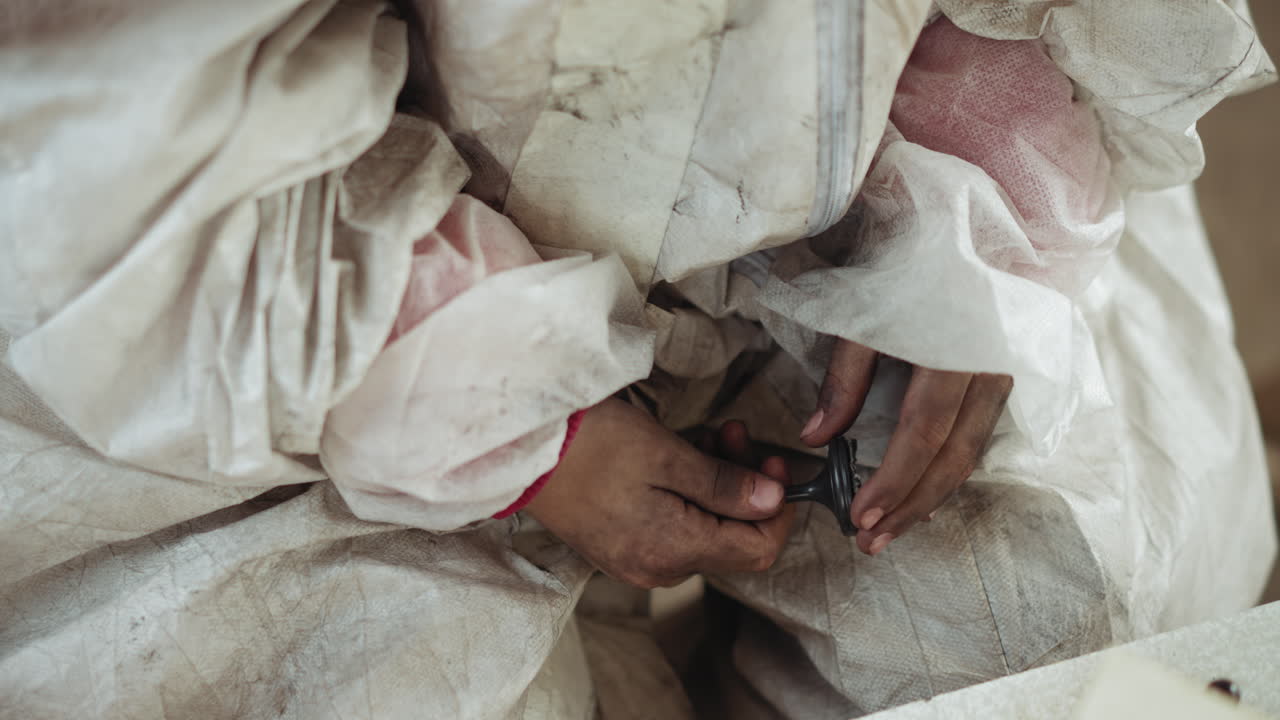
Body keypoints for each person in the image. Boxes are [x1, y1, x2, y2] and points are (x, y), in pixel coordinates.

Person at [0, 1, 1275, 718]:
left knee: (1065, 631)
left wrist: (994, 187)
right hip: (261, 325)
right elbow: (101, 153)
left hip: (851, 210)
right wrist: (505, 407)